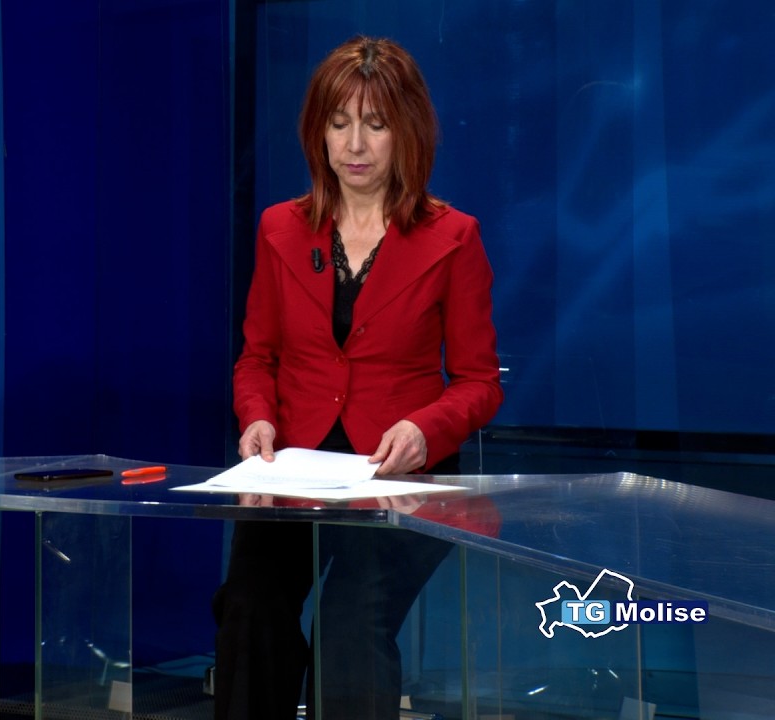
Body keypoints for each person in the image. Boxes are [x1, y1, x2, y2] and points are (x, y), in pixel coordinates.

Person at [212, 36, 503, 719]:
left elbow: (479, 382)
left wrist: (424, 430)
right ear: (318, 131)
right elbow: (257, 358)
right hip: (292, 469)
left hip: (400, 475)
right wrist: (257, 417)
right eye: (339, 123)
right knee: (250, 606)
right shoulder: (281, 229)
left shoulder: (453, 238)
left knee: (349, 620)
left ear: (408, 131)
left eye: (375, 124)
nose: (355, 144)